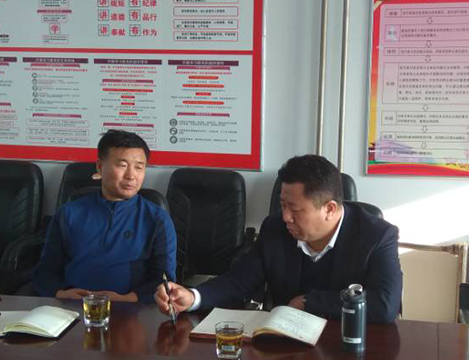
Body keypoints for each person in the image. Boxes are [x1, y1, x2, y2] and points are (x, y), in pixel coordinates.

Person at [155, 155, 402, 323]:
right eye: (283, 205)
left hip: (346, 346)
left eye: (294, 209)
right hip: (286, 345)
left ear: (329, 209)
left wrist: (309, 302)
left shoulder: (377, 236)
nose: (285, 217)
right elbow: (239, 281)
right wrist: (192, 297)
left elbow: (384, 305)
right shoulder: (275, 229)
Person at [32, 129, 177, 303]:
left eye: (139, 167)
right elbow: (45, 271)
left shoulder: (156, 219)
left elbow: (164, 279)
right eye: (122, 165)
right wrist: (61, 294)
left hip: (132, 309)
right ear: (100, 167)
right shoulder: (69, 213)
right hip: (73, 306)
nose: (131, 176)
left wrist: (127, 299)